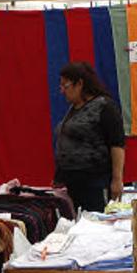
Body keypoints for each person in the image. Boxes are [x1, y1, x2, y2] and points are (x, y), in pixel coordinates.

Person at [54, 61, 126, 213]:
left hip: (94, 181)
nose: (62, 90)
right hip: (72, 181)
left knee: (95, 223)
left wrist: (117, 179)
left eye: (65, 85)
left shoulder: (104, 107)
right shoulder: (73, 109)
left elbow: (117, 144)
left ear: (79, 84)